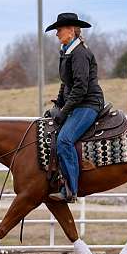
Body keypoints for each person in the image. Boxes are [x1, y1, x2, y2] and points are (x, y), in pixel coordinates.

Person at [44, 12, 104, 203]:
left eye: (59, 30)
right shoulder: (68, 51)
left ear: (71, 30)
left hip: (88, 103)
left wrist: (65, 111)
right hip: (78, 102)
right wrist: (59, 103)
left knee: (64, 140)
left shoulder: (80, 53)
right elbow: (66, 83)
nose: (56, 34)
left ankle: (70, 189)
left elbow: (80, 88)